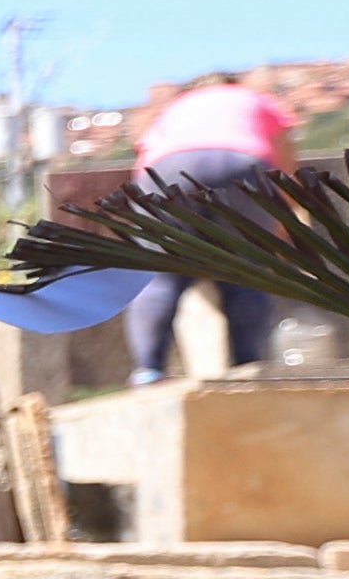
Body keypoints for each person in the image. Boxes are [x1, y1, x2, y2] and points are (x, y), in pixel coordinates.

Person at [118, 77, 294, 384]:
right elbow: (286, 159)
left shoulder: (175, 107)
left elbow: (143, 154)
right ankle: (248, 368)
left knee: (161, 275)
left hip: (164, 169)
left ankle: (148, 370)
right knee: (247, 272)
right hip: (241, 163)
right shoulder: (254, 98)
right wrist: (285, 213)